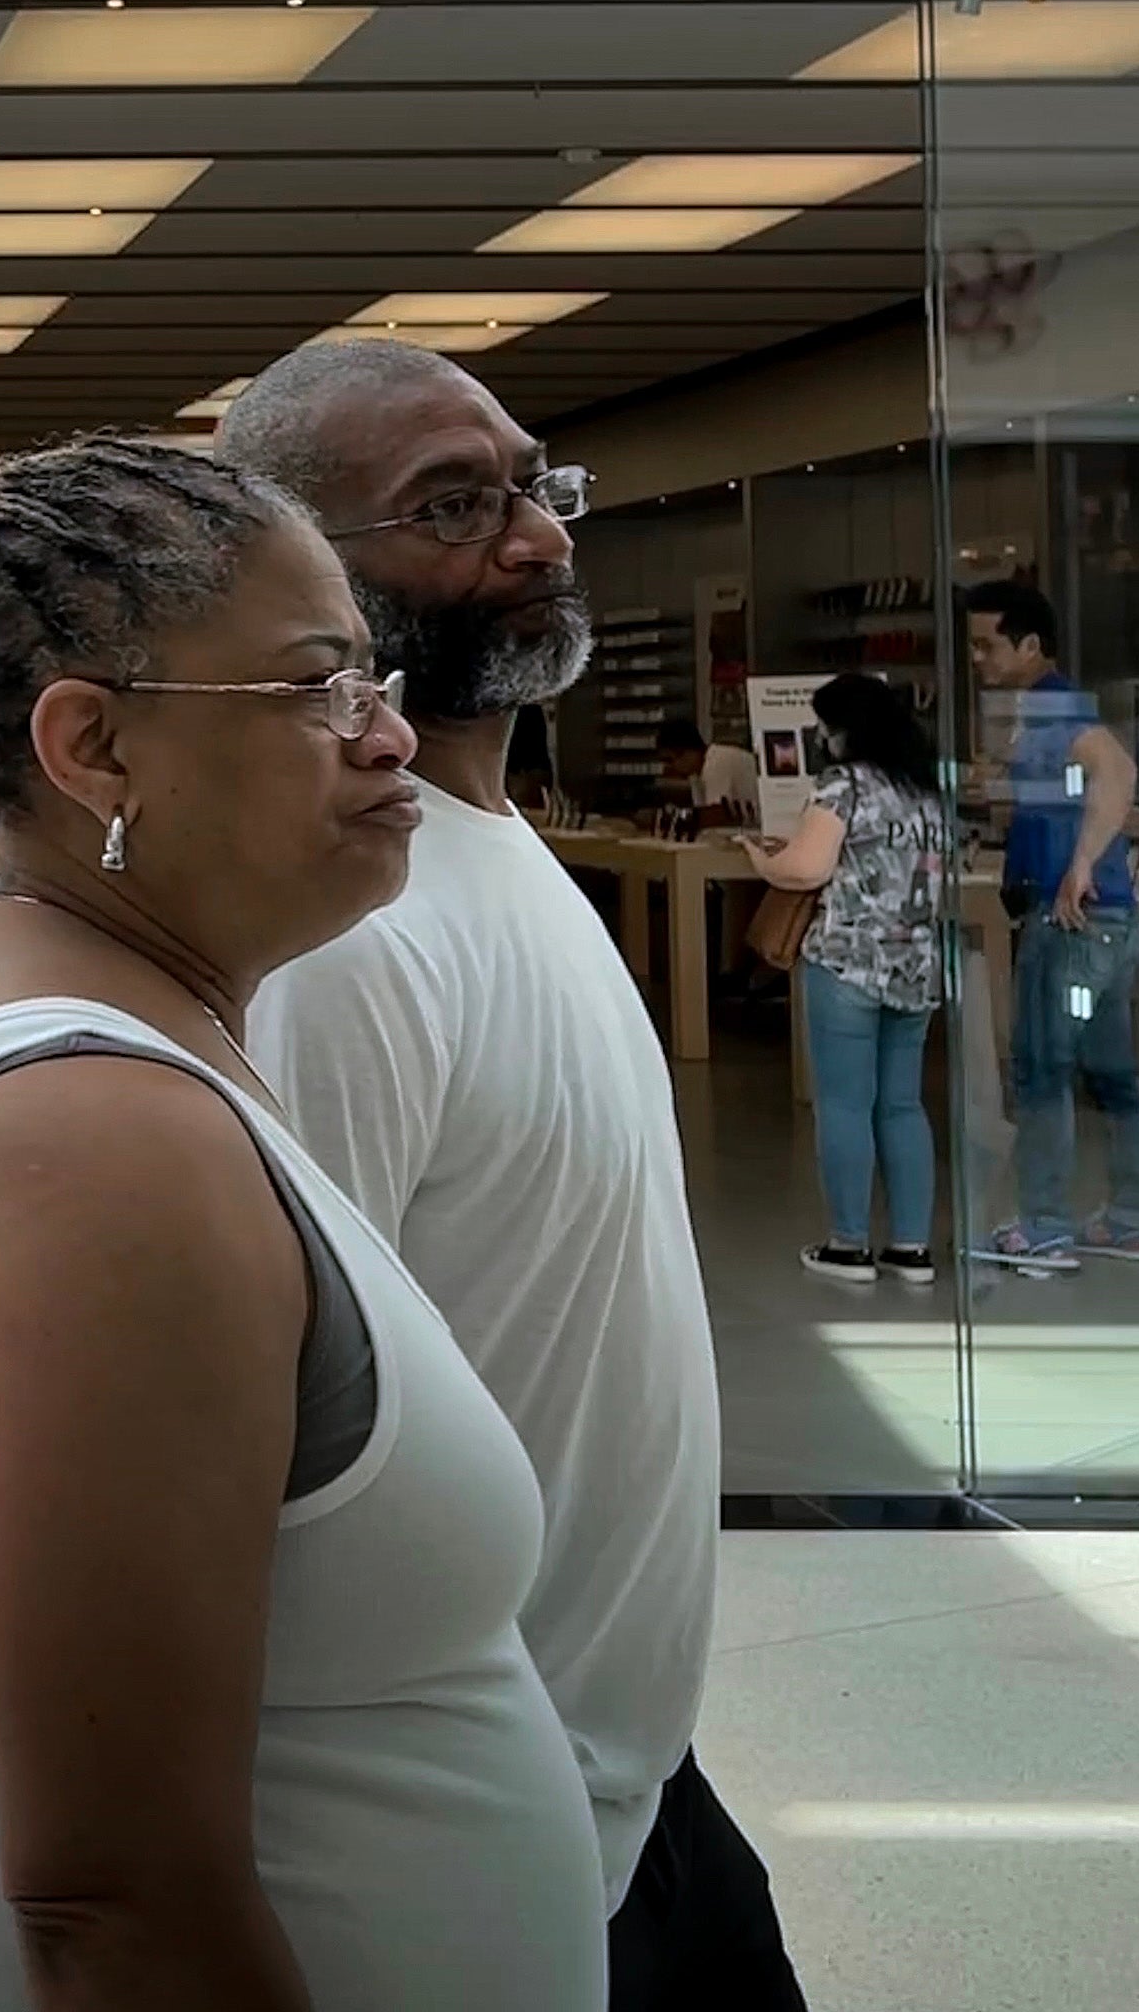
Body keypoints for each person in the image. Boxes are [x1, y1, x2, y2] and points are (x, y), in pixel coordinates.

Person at [0, 437, 602, 2012]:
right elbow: (116, 1904)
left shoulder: (72, 1021)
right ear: (94, 749)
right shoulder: (96, 1144)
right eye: (315, 689)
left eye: (369, 675)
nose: (389, 737)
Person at [217, 344, 792, 2012]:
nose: (534, 539)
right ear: (287, 560)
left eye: (534, 483)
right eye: (448, 507)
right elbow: (259, 1444)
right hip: (468, 1828)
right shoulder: (344, 935)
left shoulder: (479, 832)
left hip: (629, 1772)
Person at [965, 580, 1139, 1272]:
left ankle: (1044, 1224)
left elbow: (1117, 769)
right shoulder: (1035, 716)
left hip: (1070, 917)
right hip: (1104, 917)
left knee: (1042, 1068)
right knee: (1110, 1072)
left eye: (989, 646)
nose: (979, 660)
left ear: (1031, 646)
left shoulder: (1056, 708)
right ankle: (1136, 1217)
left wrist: (1080, 863)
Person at [743, 673, 951, 1286]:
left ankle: (849, 1243)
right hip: (916, 967)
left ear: (843, 728)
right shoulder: (926, 790)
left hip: (848, 963)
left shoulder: (843, 785)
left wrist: (758, 855)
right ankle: (912, 1247)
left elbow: (806, 869)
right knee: (903, 1105)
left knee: (844, 1105)